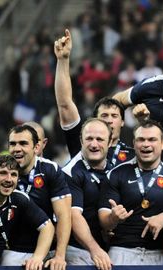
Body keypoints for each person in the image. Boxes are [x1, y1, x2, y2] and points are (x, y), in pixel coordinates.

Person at [98, 120, 163, 265]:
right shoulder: (116, 173)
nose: (146, 144)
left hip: (162, 253)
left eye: (152, 139)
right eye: (141, 140)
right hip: (122, 251)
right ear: (134, 143)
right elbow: (103, 220)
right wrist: (113, 218)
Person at [54, 29, 135, 168]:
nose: (109, 119)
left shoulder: (135, 156)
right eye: (104, 115)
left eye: (114, 115)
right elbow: (65, 105)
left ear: (122, 122)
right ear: (95, 120)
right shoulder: (82, 147)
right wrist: (63, 60)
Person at [4, 124, 71, 270]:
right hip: (11, 252)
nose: (17, 148)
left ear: (36, 147)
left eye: (23, 143)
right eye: (13, 144)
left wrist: (60, 256)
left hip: (48, 252)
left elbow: (64, 215)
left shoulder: (50, 170)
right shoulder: (1, 172)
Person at [62, 118, 113, 270]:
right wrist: (95, 250)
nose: (94, 144)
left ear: (110, 142)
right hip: (79, 250)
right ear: (81, 141)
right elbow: (74, 216)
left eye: (99, 139)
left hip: (108, 248)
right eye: (89, 139)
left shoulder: (115, 169)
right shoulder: (70, 172)